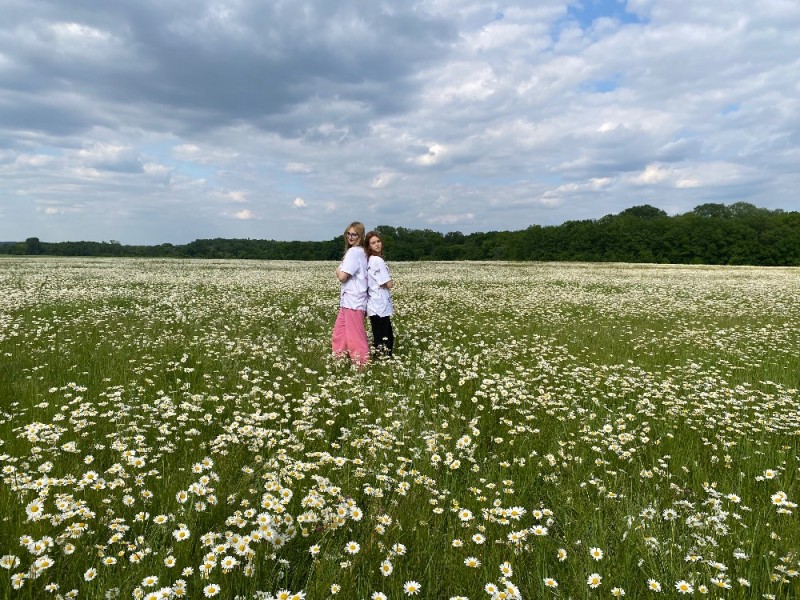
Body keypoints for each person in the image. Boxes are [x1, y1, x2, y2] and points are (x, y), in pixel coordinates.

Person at [331, 222, 370, 366]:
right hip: (348, 301)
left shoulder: (354, 252)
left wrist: (337, 270)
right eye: (348, 234)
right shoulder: (362, 252)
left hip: (354, 301)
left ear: (361, 236)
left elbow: (342, 276)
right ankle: (338, 361)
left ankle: (361, 365)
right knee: (339, 334)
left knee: (355, 337)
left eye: (354, 234)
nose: (350, 237)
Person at [364, 230, 394, 358]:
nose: (377, 244)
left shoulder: (369, 260)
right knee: (385, 337)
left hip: (373, 303)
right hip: (380, 303)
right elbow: (388, 283)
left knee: (379, 335)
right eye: (373, 243)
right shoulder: (377, 261)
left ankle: (379, 358)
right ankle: (382, 360)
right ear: (368, 246)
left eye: (378, 241)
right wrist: (390, 281)